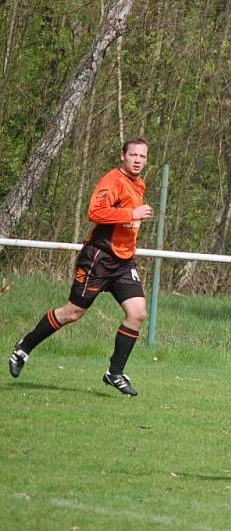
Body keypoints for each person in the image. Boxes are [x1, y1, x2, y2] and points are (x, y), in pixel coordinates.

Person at [9, 137, 154, 396]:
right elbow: (95, 212)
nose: (137, 160)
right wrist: (131, 215)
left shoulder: (138, 183)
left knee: (138, 313)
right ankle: (24, 347)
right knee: (73, 313)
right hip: (99, 258)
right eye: (133, 155)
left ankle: (115, 373)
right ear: (123, 155)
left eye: (142, 157)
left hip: (122, 262)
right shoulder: (112, 180)